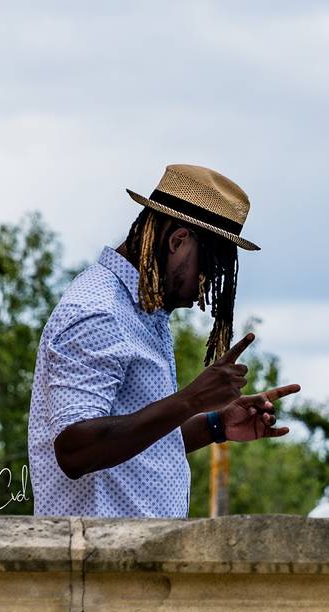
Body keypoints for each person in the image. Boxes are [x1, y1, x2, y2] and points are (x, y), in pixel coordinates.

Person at [27, 164, 300, 517]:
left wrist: (214, 424)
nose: (204, 288)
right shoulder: (99, 311)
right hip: (97, 562)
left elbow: (135, 446)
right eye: (209, 269)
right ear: (178, 241)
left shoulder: (142, 314)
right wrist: (192, 398)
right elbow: (76, 449)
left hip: (131, 559)